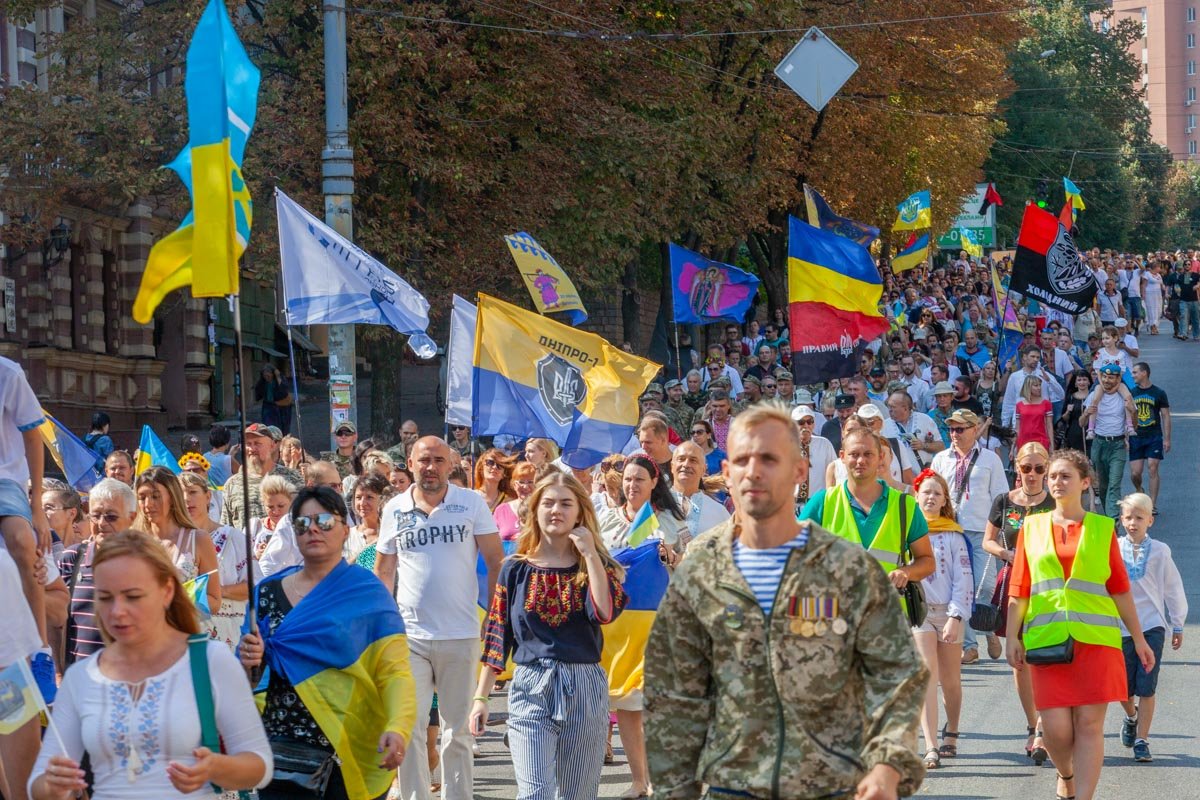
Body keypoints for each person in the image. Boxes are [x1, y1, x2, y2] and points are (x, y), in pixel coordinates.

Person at [644, 404, 927, 800]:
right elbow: (674, 691)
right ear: (727, 473)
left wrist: (887, 766)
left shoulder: (846, 566)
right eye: (743, 459)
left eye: (771, 459)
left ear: (798, 472)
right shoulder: (701, 568)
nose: (755, 471)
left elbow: (897, 675)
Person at [31, 530, 272, 800]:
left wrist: (216, 767)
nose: (117, 611)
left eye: (133, 596)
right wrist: (53, 786)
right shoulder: (81, 678)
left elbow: (260, 766)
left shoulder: (210, 661)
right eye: (106, 597)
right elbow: (38, 783)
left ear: (167, 591)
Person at [239, 487, 415, 800]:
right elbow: (247, 677)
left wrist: (398, 727)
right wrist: (248, 661)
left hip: (346, 745)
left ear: (345, 529)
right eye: (302, 524)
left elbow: (394, 672)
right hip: (280, 750)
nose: (314, 529)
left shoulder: (367, 594)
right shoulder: (266, 592)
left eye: (324, 520)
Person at [1005, 450, 1155, 800]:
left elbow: (1119, 589)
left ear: (1085, 482)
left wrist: (1139, 639)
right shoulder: (1032, 526)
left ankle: (1083, 796)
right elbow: (1019, 587)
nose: (1056, 482)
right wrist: (1012, 635)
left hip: (1096, 642)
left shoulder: (1103, 529)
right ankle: (1067, 774)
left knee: (1089, 726)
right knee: (1056, 731)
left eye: (1065, 476)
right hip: (1047, 641)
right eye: (1052, 476)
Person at [471, 472, 626, 800]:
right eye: (549, 503)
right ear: (536, 510)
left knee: (577, 795)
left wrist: (590, 555)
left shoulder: (597, 566)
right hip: (530, 684)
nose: (557, 510)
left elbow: (604, 612)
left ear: (580, 512)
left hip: (584, 684)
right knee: (534, 794)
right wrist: (481, 699)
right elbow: (498, 633)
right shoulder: (515, 568)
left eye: (566, 503)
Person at [374, 437, 503, 800]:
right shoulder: (394, 509)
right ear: (410, 464)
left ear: (450, 464)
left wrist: (494, 615)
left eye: (438, 460)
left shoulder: (471, 502)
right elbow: (384, 570)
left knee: (457, 730)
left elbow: (495, 560)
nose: (430, 467)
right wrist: (384, 626)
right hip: (409, 635)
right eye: (423, 460)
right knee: (411, 727)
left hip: (460, 633)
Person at [983, 442, 1055, 763]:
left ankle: (1043, 729)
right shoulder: (1004, 502)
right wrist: (1006, 553)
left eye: (1039, 469)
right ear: (1017, 467)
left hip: (1047, 587)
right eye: (1026, 468)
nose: (1033, 475)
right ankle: (1032, 724)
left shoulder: (1055, 503)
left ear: (1047, 469)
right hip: (1013, 583)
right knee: (1019, 659)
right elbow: (988, 539)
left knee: (1045, 659)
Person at [801, 426, 934, 586]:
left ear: (880, 457)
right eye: (854, 454)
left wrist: (906, 572)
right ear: (842, 457)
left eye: (868, 454)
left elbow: (927, 561)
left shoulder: (905, 505)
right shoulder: (822, 502)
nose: (861, 461)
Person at [930, 409, 1010, 663]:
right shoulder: (941, 459)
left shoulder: (990, 459)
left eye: (960, 429)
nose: (954, 433)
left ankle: (987, 628)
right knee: (959, 589)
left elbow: (1001, 497)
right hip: (949, 530)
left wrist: (999, 533)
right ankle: (970, 646)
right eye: (952, 429)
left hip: (981, 530)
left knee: (984, 587)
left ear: (975, 429)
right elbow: (930, 492)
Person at [1115, 492, 1186, 764]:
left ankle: (1143, 740)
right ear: (1121, 520)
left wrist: (1177, 623)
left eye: (1139, 518)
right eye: (1129, 517)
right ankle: (1131, 717)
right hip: (1119, 627)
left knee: (1147, 686)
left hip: (1152, 625)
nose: (1133, 523)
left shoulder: (1160, 551)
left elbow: (1173, 588)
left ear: (1150, 521)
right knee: (1123, 687)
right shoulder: (1114, 548)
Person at [910, 470, 972, 771]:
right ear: (917, 496)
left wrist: (956, 615)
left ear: (944, 499)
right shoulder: (908, 532)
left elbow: (963, 578)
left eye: (937, 493)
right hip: (919, 613)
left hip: (948, 612)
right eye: (926, 492)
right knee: (927, 679)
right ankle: (931, 745)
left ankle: (953, 731)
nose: (931, 497)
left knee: (950, 682)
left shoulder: (953, 534)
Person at [177, 471, 252, 651]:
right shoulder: (174, 542)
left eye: (193, 492)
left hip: (228, 638)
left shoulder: (233, 537)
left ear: (208, 496)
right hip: (185, 638)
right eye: (181, 494)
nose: (187, 499)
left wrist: (215, 593)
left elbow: (253, 584)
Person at [133, 466, 222, 613]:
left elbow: (214, 601)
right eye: (142, 498)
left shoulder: (198, 539)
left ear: (173, 497)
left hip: (182, 632)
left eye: (156, 496)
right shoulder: (133, 542)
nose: (148, 504)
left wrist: (173, 600)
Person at [221, 423, 302, 530]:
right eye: (248, 444)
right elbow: (226, 529)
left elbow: (303, 519)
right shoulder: (232, 484)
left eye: (257, 443)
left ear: (272, 445)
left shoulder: (293, 478)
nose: (252, 448)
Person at [1083, 363, 1132, 519]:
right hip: (1099, 443)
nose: (1107, 380)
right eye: (1104, 377)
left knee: (1114, 484)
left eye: (1111, 378)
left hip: (1117, 444)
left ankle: (1113, 521)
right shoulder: (1094, 395)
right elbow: (1081, 422)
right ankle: (1109, 515)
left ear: (1118, 379)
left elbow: (1135, 422)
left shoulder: (1124, 395)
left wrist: (1133, 413)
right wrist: (1085, 415)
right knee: (1103, 485)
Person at [1128, 362, 1170, 511]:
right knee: (1135, 473)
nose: (1132, 375)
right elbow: (1126, 415)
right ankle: (1139, 489)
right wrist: (1126, 435)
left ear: (1144, 373)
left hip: (1154, 436)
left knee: (1153, 468)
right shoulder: (1131, 393)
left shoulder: (1159, 393)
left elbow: (1165, 415)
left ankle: (1152, 504)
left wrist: (1166, 438)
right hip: (1136, 437)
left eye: (1135, 372)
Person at [670, 441, 730, 542]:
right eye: (681, 459)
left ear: (704, 469)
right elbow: (636, 547)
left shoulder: (719, 513)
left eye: (693, 460)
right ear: (672, 466)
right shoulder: (655, 506)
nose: (686, 464)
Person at [791, 405, 837, 509]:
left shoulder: (824, 444)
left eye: (810, 421)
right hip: (791, 504)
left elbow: (835, 473)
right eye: (801, 422)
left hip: (818, 503)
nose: (806, 426)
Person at [346, 473, 393, 570]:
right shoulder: (347, 536)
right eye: (358, 497)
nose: (362, 503)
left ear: (383, 499)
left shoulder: (393, 534)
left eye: (369, 497)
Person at [495, 461, 537, 547]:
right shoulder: (501, 510)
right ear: (514, 484)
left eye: (530, 482)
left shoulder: (541, 509)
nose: (525, 487)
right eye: (521, 482)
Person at [1014, 374, 1054, 453]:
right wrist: (1013, 446)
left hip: (1041, 440)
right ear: (1028, 387)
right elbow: (1017, 428)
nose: (1039, 388)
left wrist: (1052, 445)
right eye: (1036, 385)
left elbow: (1049, 426)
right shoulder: (1019, 405)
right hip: (1023, 441)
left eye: (1040, 385)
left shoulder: (1046, 403)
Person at [1059, 370, 1094, 454]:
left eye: (1084, 379)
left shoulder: (1094, 396)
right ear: (1075, 383)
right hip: (1074, 433)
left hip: (1092, 432)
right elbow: (1064, 418)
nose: (1082, 382)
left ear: (1089, 382)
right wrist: (1068, 411)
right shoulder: (1071, 397)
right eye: (1079, 380)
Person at [254, 364, 293, 435]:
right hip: (268, 406)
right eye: (265, 375)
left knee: (282, 427)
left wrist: (278, 376)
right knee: (268, 427)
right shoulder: (263, 383)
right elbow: (258, 391)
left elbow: (283, 391)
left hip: (281, 407)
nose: (266, 377)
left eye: (268, 375)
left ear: (273, 374)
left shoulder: (279, 381)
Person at [474, 448, 514, 513]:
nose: (494, 467)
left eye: (500, 465)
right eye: (490, 462)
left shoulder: (509, 502)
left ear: (504, 473)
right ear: (481, 468)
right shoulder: (471, 496)